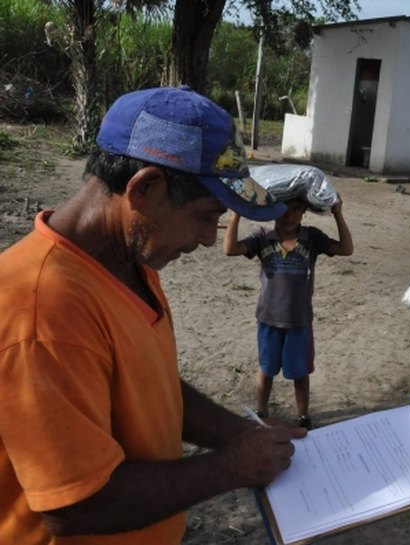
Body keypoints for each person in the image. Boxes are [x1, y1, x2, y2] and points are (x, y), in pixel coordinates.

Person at [0, 86, 307, 545]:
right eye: (206, 216)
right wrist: (231, 467)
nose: (209, 239)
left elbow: (150, 384)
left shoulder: (129, 261)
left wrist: (238, 432)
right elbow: (74, 505)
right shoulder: (43, 310)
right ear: (143, 188)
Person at [222, 194, 353, 429]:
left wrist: (337, 213)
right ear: (271, 211)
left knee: (300, 372)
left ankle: (303, 416)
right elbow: (229, 249)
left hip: (299, 320)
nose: (288, 215)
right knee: (266, 368)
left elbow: (346, 249)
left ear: (304, 211)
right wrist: (237, 213)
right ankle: (261, 411)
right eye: (282, 209)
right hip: (268, 318)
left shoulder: (311, 237)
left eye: (295, 209)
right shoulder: (262, 237)